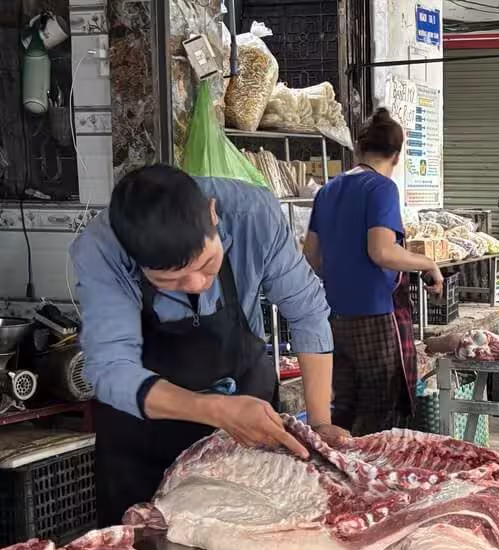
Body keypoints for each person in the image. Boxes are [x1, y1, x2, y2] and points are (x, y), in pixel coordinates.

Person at [73, 164, 344, 526]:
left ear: (213, 214)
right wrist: (215, 410)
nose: (197, 285)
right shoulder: (102, 249)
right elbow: (111, 369)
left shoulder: (253, 215)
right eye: (170, 281)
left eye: (207, 264)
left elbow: (308, 313)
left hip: (246, 428)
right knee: (145, 549)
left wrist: (320, 424)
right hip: (145, 440)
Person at [304, 108, 443, 436]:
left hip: (336, 318)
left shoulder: (327, 191)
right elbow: (382, 251)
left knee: (343, 412)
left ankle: (341, 468)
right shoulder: (381, 188)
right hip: (376, 318)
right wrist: (428, 263)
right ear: (396, 156)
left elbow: (311, 256)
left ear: (358, 149)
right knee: (378, 417)